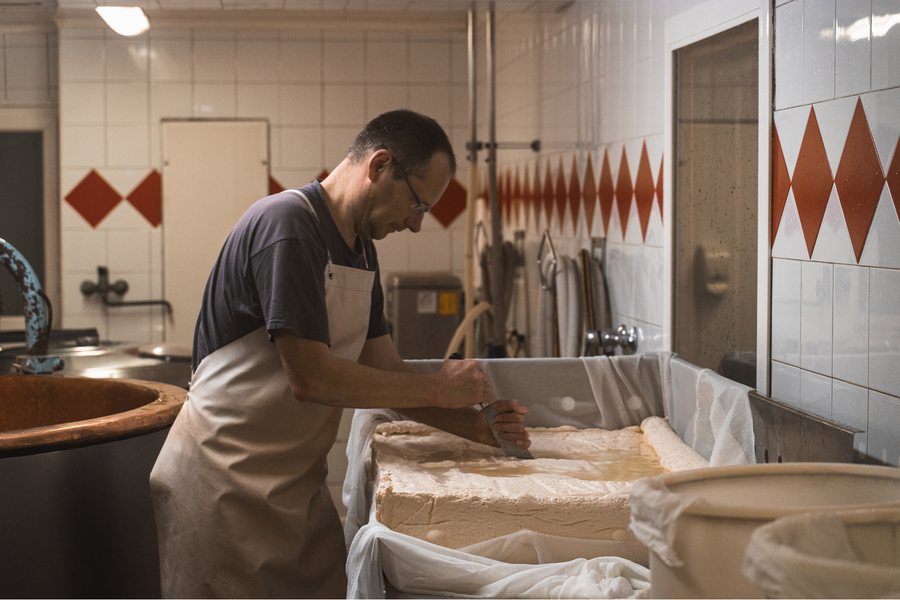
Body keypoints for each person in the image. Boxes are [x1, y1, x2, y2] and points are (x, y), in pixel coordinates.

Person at [149, 109, 530, 599]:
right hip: (223, 488)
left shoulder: (361, 251)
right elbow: (311, 378)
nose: (415, 225)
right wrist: (441, 386)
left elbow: (384, 372)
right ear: (379, 166)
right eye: (417, 204)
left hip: (292, 490)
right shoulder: (287, 225)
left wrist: (477, 427)